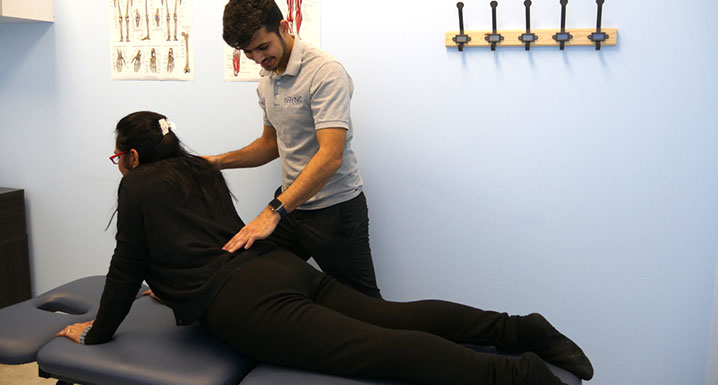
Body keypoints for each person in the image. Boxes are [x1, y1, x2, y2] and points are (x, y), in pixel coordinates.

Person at [57, 112, 593, 385]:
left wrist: (98, 333)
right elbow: (200, 242)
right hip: (277, 267)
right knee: (393, 318)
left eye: (116, 159)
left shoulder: (138, 185)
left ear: (129, 156)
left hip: (247, 303)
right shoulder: (198, 169)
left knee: (377, 349)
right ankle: (520, 329)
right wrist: (171, 289)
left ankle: (519, 377)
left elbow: (126, 265)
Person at [207, 0, 382, 298]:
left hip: (334, 213)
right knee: (246, 272)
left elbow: (330, 157)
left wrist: (273, 211)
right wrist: (216, 163)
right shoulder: (268, 75)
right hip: (292, 206)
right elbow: (269, 144)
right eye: (248, 52)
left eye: (263, 47)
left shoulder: (325, 72)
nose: (257, 58)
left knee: (366, 306)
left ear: (284, 27)